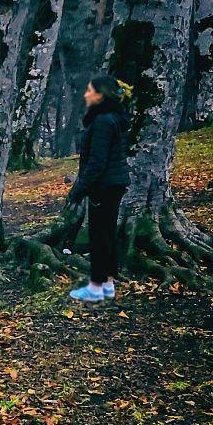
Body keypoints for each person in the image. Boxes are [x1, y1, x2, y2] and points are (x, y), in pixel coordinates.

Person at [67, 73, 132, 302]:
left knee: (99, 234)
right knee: (107, 233)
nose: (86, 94)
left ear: (101, 95)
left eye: (90, 91)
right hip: (113, 183)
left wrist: (78, 190)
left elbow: (96, 162)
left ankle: (96, 286)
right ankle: (108, 284)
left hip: (104, 186)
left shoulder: (103, 121)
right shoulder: (113, 117)